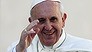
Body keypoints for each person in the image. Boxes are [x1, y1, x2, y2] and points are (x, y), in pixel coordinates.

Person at [7, 0, 92, 52]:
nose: (48, 27)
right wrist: (20, 50)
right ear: (31, 22)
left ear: (63, 20)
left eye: (53, 19)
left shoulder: (86, 48)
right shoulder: (18, 48)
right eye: (41, 20)